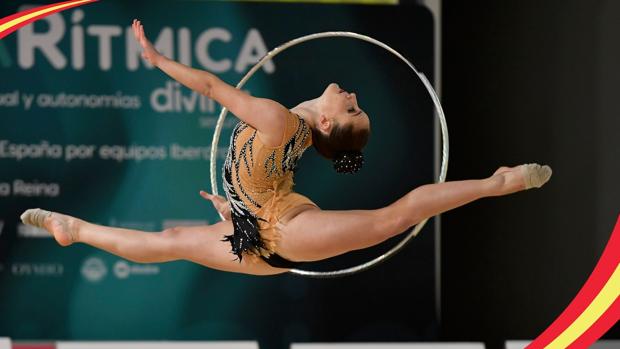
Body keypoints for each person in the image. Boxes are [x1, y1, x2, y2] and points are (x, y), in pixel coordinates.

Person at [20, 20, 552, 276]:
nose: (352, 95)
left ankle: (496, 183)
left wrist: (157, 61)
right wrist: (234, 205)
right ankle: (76, 229)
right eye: (356, 104)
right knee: (173, 239)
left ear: (324, 121)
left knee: (393, 218)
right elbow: (255, 175)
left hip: (284, 231)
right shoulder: (294, 133)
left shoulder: (277, 120)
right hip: (254, 232)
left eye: (350, 108)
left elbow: (210, 88)